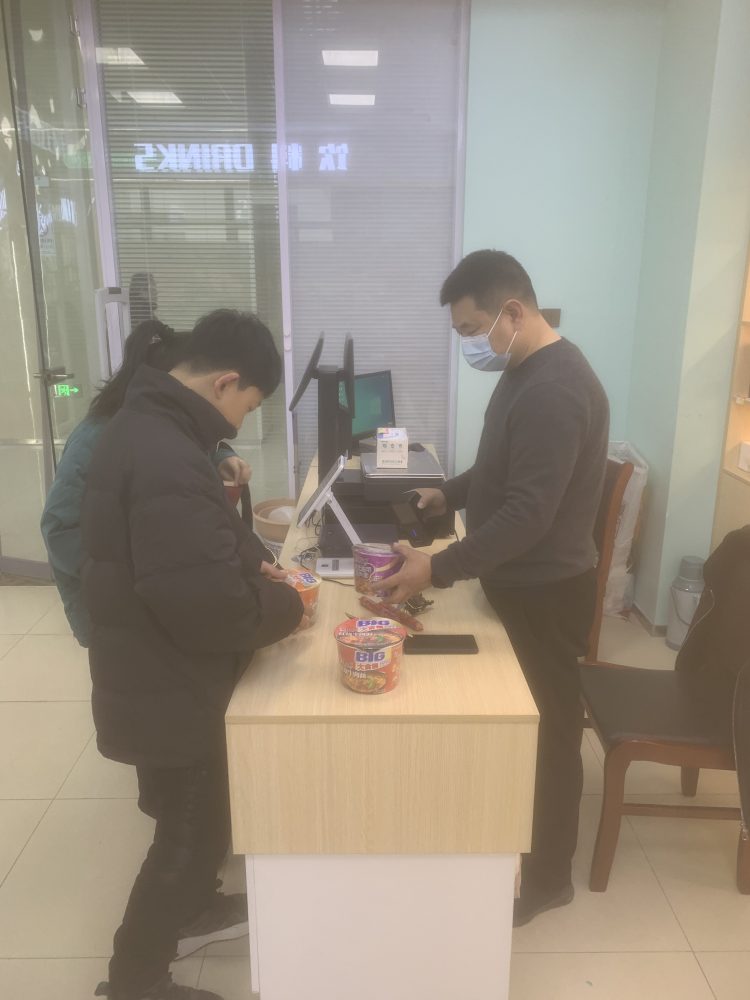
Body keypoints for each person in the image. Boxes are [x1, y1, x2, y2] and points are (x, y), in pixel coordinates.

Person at [83, 310, 305, 1000]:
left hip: (154, 665)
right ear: (225, 381)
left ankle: (195, 908)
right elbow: (209, 608)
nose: (242, 421)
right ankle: (134, 982)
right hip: (167, 679)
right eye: (249, 405)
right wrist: (287, 607)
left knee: (197, 822)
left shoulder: (155, 428)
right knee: (188, 836)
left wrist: (252, 563)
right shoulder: (165, 451)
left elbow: (195, 537)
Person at [384, 250, 609, 928]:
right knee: (520, 726)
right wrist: (446, 493)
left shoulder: (556, 389)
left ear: (511, 312)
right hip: (518, 582)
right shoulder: (523, 370)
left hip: (548, 591)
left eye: (469, 329)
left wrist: (437, 567)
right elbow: (501, 469)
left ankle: (548, 879)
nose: (468, 344)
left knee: (550, 734)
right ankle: (508, 843)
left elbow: (528, 514)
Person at [41, 320, 250, 649]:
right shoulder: (97, 437)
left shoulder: (170, 422)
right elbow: (58, 529)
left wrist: (223, 455)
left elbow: (189, 444)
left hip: (156, 593)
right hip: (111, 603)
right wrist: (139, 568)